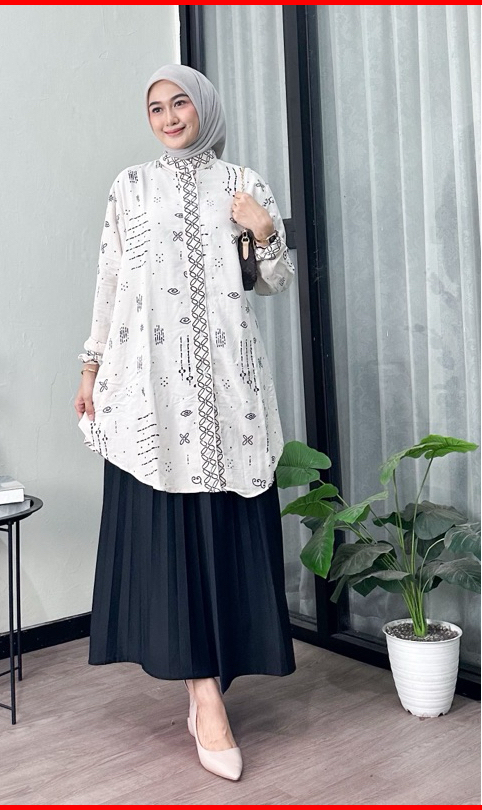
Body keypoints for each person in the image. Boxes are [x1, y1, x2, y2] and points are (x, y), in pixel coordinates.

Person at [73, 64, 296, 782]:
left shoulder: (244, 184)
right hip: (152, 385)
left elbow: (274, 282)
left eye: (180, 104)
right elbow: (111, 279)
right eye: (156, 108)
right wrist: (90, 366)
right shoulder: (131, 187)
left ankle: (210, 681)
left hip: (228, 385)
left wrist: (264, 230)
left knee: (222, 524)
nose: (169, 118)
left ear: (204, 109)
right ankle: (204, 697)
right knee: (171, 523)